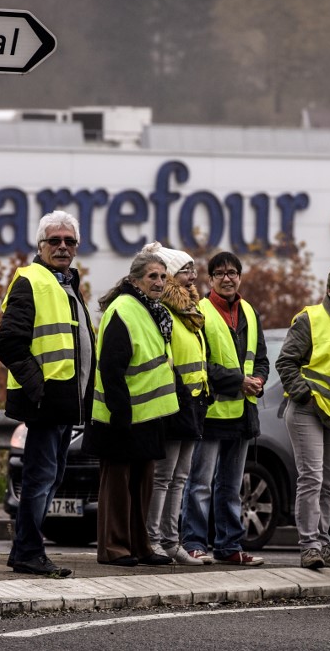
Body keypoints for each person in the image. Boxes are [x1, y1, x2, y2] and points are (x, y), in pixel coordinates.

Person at [0, 210, 95, 578]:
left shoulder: (68, 284)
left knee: (51, 479)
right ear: (40, 245)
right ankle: (29, 552)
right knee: (40, 480)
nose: (63, 247)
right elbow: (9, 344)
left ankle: (23, 548)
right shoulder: (31, 280)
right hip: (45, 403)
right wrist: (38, 390)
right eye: (55, 240)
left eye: (69, 241)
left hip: (65, 404)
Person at [83, 249, 179, 567]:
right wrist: (120, 411)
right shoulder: (124, 309)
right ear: (136, 278)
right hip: (121, 414)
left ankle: (140, 545)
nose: (159, 281)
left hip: (148, 415)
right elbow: (111, 367)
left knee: (142, 484)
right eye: (153, 275)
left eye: (163, 276)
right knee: (118, 486)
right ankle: (114, 547)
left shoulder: (153, 310)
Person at [276, 261, 330, 570]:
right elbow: (286, 362)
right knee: (312, 478)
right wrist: (306, 396)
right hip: (307, 411)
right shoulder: (310, 319)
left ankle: (323, 543)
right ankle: (309, 546)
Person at [181, 251, 267, 567]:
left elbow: (261, 358)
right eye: (220, 273)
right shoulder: (200, 312)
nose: (227, 278)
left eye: (233, 272)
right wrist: (238, 380)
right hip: (212, 414)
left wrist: (258, 378)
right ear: (211, 279)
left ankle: (229, 546)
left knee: (232, 487)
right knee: (200, 485)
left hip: (244, 414)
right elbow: (202, 363)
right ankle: (193, 543)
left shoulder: (250, 312)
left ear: (240, 277)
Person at [142, 243, 209, 566]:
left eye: (192, 271)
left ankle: (171, 541)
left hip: (194, 403)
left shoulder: (190, 313)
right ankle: (153, 539)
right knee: (164, 476)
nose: (192, 277)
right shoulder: (166, 310)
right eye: (185, 271)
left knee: (180, 477)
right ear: (169, 276)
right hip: (173, 401)